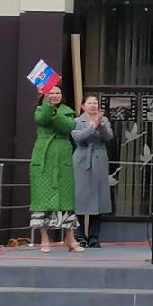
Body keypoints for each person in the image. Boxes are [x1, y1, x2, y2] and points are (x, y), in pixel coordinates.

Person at [31, 85, 82, 252]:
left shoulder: (68, 111)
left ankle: (70, 237)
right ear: (45, 95)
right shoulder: (40, 109)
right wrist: (49, 107)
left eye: (58, 92)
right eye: (51, 92)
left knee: (67, 198)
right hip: (44, 157)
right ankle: (44, 239)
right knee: (42, 198)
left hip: (63, 157)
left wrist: (54, 114)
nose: (54, 95)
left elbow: (68, 126)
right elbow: (43, 120)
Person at [71, 95, 113, 248]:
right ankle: (80, 236)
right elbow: (78, 138)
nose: (93, 106)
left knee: (98, 200)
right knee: (80, 199)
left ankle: (94, 237)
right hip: (82, 160)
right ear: (83, 106)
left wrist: (100, 125)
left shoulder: (105, 120)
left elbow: (109, 136)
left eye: (95, 103)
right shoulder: (77, 121)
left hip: (99, 159)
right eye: (90, 103)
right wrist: (91, 126)